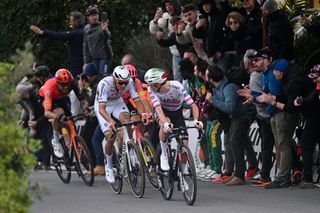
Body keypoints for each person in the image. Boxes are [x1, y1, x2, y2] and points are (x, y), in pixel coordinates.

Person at [94, 66, 148, 183]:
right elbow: (102, 109)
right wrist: (110, 121)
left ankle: (129, 147)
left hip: (118, 102)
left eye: (125, 83)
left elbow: (137, 101)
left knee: (127, 121)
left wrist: (143, 113)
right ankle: (108, 166)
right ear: (114, 79)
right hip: (103, 106)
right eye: (120, 83)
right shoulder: (104, 84)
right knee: (110, 136)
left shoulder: (129, 82)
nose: (123, 86)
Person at [144, 68, 203, 172]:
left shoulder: (177, 86)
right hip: (163, 111)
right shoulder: (151, 90)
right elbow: (158, 108)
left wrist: (196, 120)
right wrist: (165, 123)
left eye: (151, 84)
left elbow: (193, 105)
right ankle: (164, 154)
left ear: (158, 84)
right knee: (165, 124)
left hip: (177, 112)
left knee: (185, 146)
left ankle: (183, 174)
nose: (149, 87)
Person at [206, 65, 256, 186]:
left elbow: (230, 107)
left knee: (234, 141)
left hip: (243, 115)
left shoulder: (228, 88)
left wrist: (213, 101)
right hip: (235, 116)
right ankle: (249, 168)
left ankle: (239, 175)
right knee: (242, 141)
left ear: (211, 78)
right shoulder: (217, 88)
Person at [39, 69, 87, 158]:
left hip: (60, 97)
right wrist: (56, 116)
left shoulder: (73, 83)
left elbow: (82, 99)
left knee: (69, 120)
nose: (66, 88)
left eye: (67, 85)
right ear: (57, 83)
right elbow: (47, 112)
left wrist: (85, 108)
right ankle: (56, 141)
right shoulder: (49, 88)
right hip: (47, 98)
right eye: (63, 85)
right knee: (59, 114)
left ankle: (71, 143)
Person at [31, 12, 85, 77]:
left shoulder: (76, 33)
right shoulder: (82, 31)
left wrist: (42, 32)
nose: (70, 23)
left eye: (71, 21)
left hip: (77, 65)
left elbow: (58, 36)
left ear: (77, 21)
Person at [293, 64, 320, 188]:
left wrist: (301, 100)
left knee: (306, 143)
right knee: (306, 143)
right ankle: (308, 177)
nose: (314, 80)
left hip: (315, 120)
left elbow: (310, 98)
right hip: (314, 119)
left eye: (316, 77)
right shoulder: (317, 87)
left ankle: (308, 178)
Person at [79, 63, 105, 175]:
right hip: (99, 115)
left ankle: (99, 164)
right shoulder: (98, 80)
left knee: (94, 139)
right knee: (91, 138)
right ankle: (97, 164)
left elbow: (93, 101)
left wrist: (84, 88)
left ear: (89, 76)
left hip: (99, 116)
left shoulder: (96, 85)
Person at [149, 0, 182, 81]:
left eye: (170, 4)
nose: (168, 7)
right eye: (166, 5)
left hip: (190, 51)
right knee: (178, 79)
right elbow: (153, 30)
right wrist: (155, 20)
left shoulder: (184, 13)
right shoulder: (166, 16)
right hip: (176, 52)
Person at [83, 5, 113, 74]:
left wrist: (104, 30)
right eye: (92, 15)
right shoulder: (86, 28)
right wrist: (86, 62)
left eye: (96, 15)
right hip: (94, 58)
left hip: (105, 57)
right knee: (92, 77)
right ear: (88, 17)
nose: (94, 17)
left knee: (103, 76)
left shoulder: (102, 25)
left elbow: (108, 36)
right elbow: (85, 46)